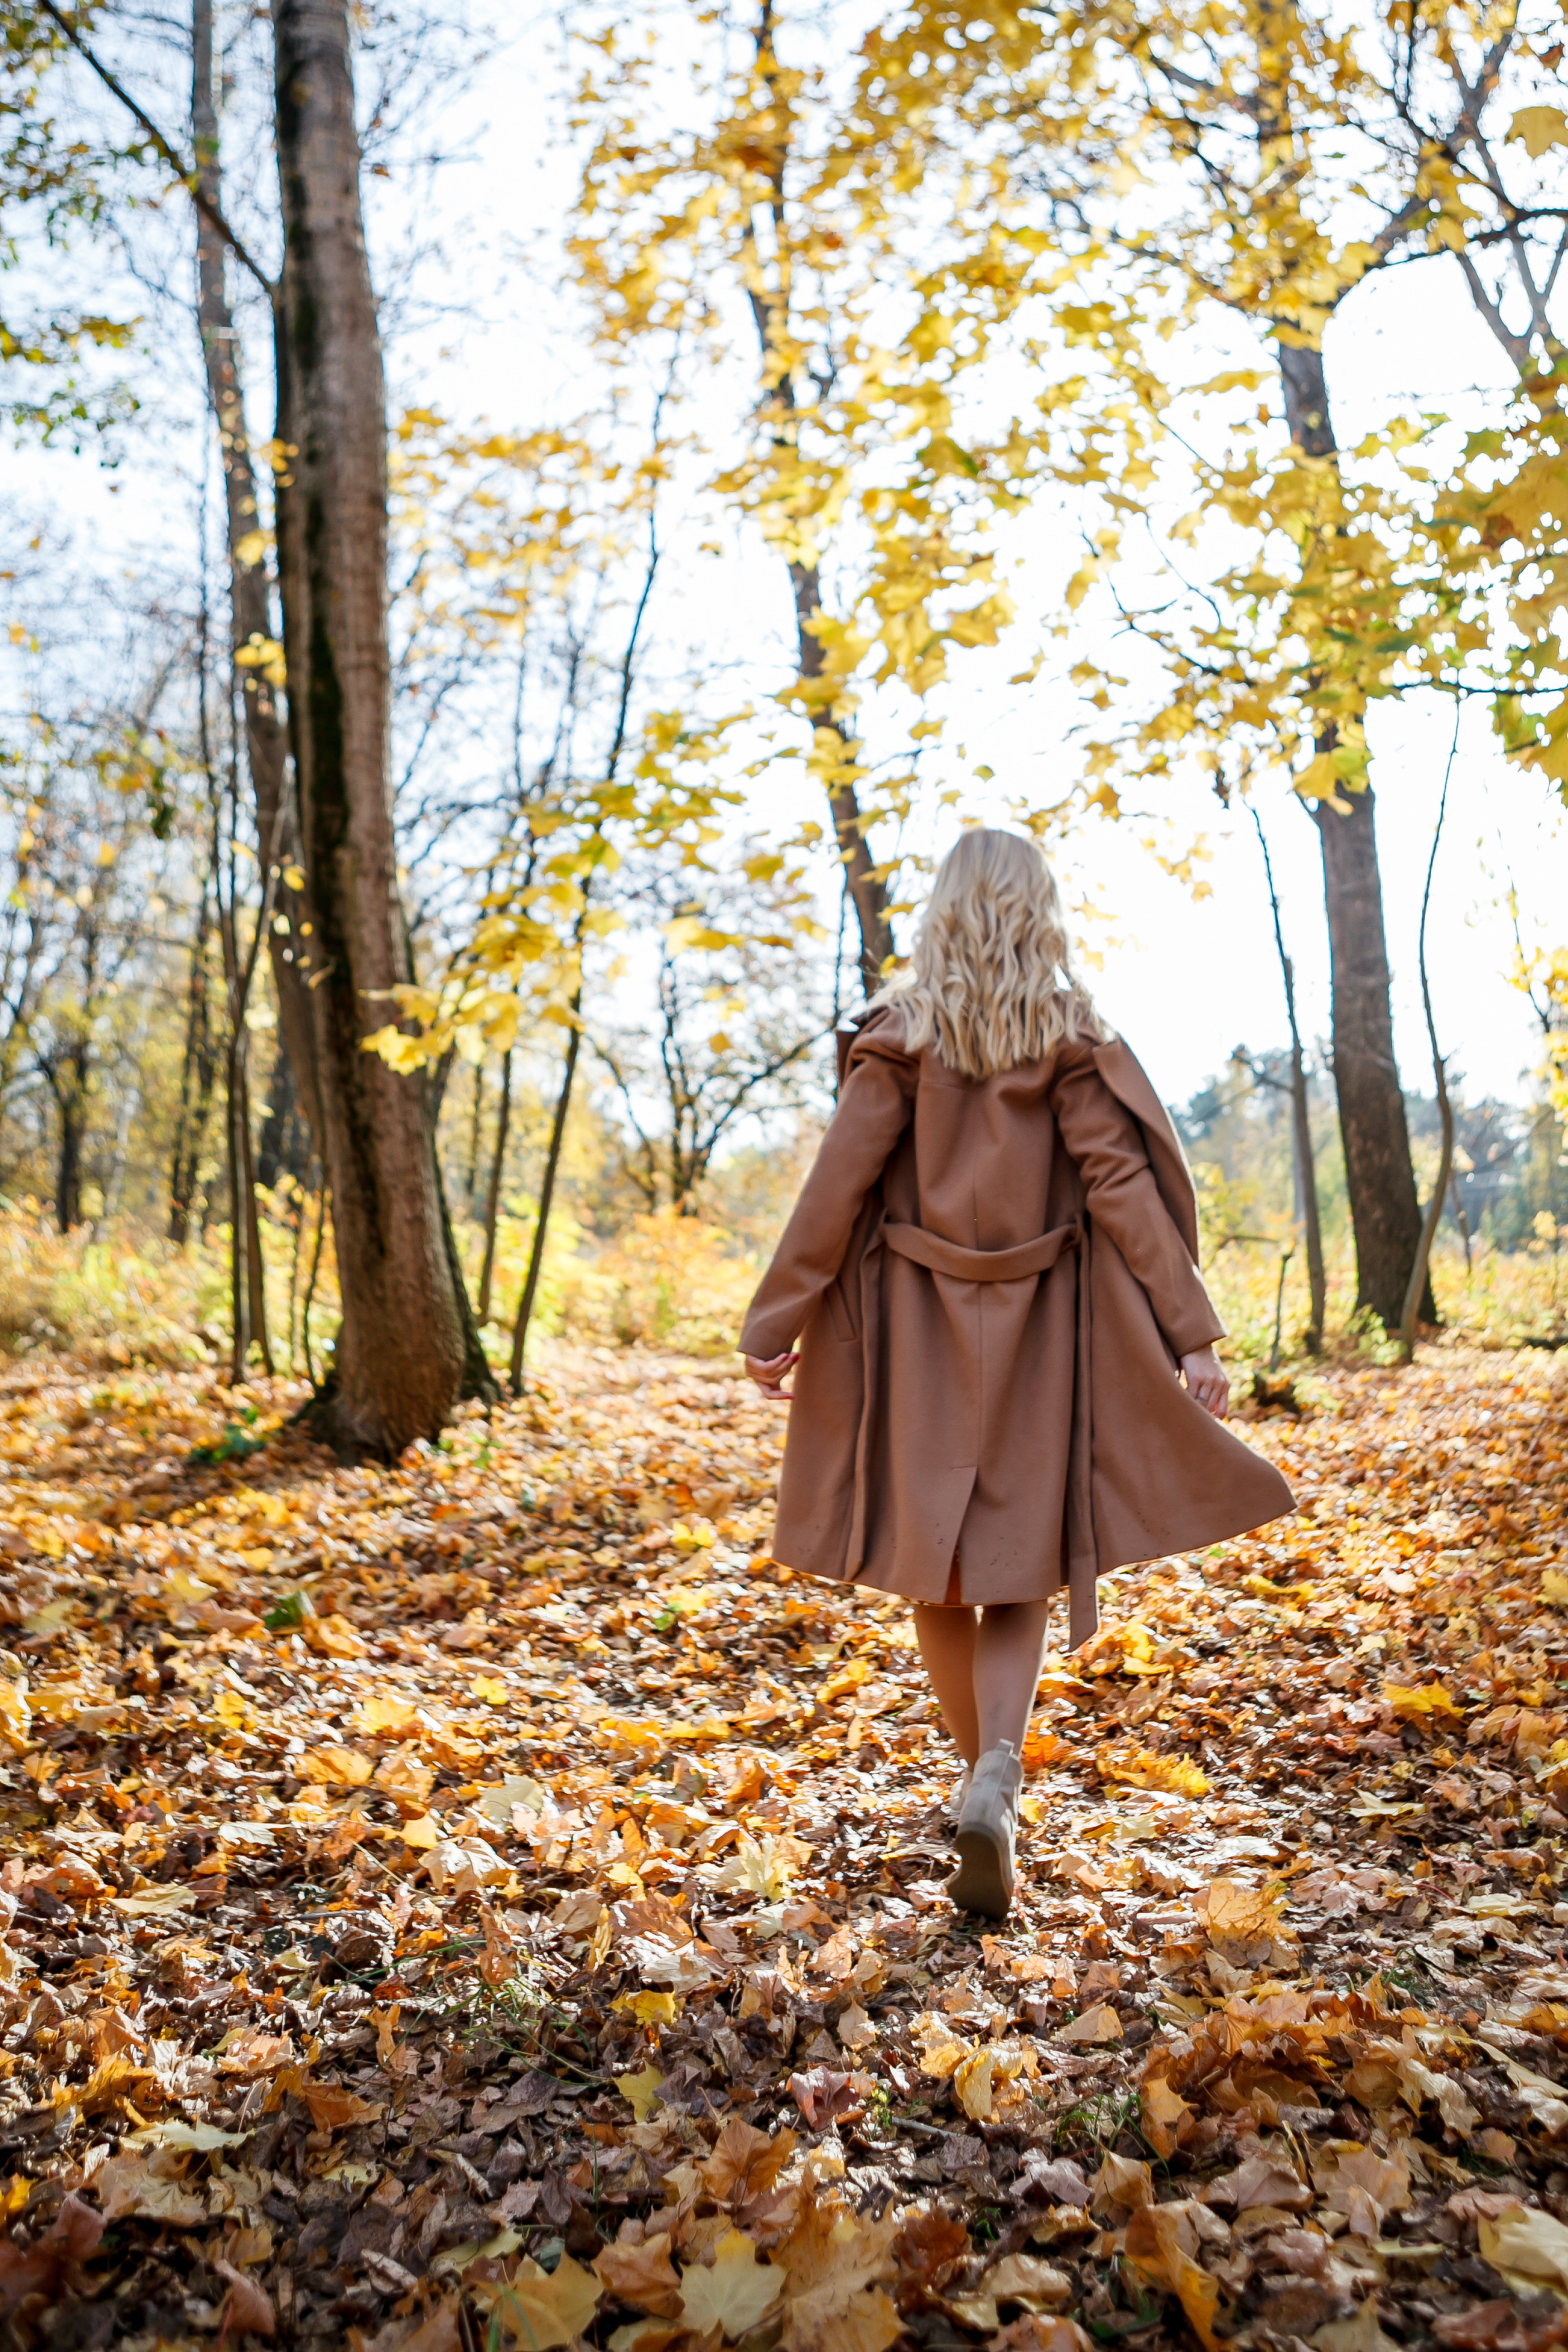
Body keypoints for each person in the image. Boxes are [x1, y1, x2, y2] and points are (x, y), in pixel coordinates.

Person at [739, 829, 1293, 1919]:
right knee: (1015, 1567)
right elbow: (1123, 1188)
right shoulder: (1070, 1041)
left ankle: (977, 1780)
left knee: (933, 1569)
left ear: (942, 912)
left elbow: (835, 1189)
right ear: (1039, 914)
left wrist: (776, 1316)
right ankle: (994, 1768)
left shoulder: (899, 1041)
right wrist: (1193, 1332)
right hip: (1044, 1337)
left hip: (917, 1336)